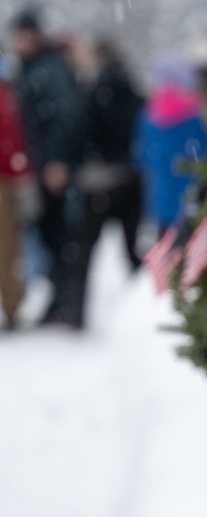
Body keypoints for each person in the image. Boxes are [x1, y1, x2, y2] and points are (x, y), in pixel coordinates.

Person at [9, 7, 84, 328]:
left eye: (22, 35)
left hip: (50, 167)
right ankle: (60, 302)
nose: (17, 42)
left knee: (59, 238)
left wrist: (57, 161)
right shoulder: (30, 67)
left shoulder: (49, 67)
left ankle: (67, 304)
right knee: (50, 237)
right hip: (37, 165)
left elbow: (66, 116)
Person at [77, 38, 145, 279]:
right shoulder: (129, 85)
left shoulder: (98, 89)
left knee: (84, 250)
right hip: (130, 175)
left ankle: (74, 310)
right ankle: (140, 299)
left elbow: (87, 126)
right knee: (132, 247)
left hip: (101, 178)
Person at [135, 57, 207, 235]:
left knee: (167, 252)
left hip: (162, 198)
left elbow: (141, 156)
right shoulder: (198, 113)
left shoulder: (148, 115)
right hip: (195, 197)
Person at [0, 52, 32, 330]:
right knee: (6, 250)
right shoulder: (5, 95)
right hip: (4, 181)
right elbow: (11, 137)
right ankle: (12, 309)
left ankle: (12, 307)